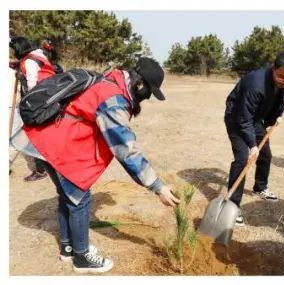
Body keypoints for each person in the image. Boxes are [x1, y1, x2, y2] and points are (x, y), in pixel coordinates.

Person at [11, 57, 179, 273]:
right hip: (58, 145)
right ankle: (82, 257)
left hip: (46, 140)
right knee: (80, 199)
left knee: (67, 195)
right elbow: (125, 149)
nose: (146, 98)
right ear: (140, 84)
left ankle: (67, 248)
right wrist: (157, 186)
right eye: (149, 92)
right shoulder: (114, 100)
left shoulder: (113, 78)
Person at [223, 50, 284, 225]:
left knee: (265, 155)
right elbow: (243, 119)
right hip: (237, 118)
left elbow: (281, 102)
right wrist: (252, 145)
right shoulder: (255, 83)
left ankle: (260, 188)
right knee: (243, 160)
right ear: (274, 68)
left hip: (256, 120)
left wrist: (272, 121)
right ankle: (232, 206)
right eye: (281, 77)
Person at [9, 36, 60, 182]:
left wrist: (30, 105)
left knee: (35, 136)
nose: (13, 52)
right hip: (49, 97)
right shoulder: (37, 55)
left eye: (14, 50)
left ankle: (41, 170)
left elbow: (33, 85)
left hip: (40, 101)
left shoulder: (30, 61)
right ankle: (47, 165)